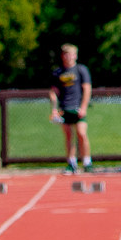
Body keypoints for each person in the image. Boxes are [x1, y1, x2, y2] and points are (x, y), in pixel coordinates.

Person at [49, 43, 92, 174]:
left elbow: (87, 89)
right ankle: (71, 163)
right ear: (63, 56)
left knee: (82, 134)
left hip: (78, 108)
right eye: (66, 54)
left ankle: (87, 162)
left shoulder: (81, 70)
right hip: (64, 108)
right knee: (68, 136)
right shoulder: (58, 72)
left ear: (76, 55)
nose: (69, 57)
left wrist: (83, 107)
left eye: (72, 54)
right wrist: (54, 109)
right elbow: (53, 92)